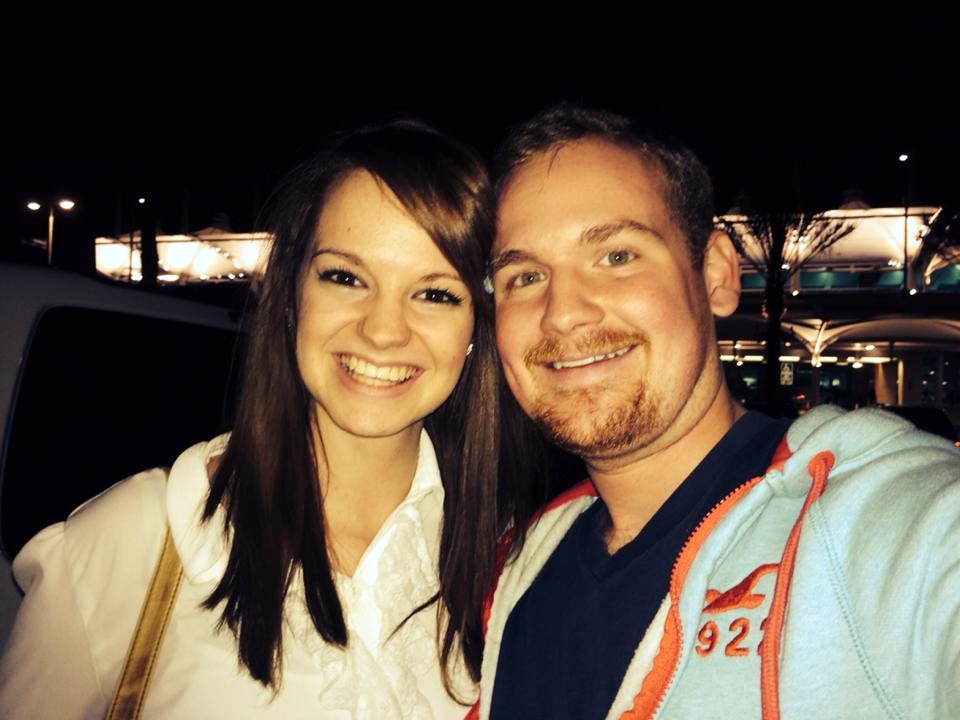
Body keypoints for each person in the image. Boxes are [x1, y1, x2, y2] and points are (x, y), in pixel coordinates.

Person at [0, 118, 505, 719]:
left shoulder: (504, 567)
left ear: (477, 324)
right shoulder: (129, 542)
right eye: (345, 277)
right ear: (290, 293)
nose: (383, 330)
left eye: (435, 293)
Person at [475, 103, 960, 719]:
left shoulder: (885, 520)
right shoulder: (519, 572)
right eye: (524, 276)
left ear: (715, 273)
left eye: (617, 256)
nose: (563, 311)